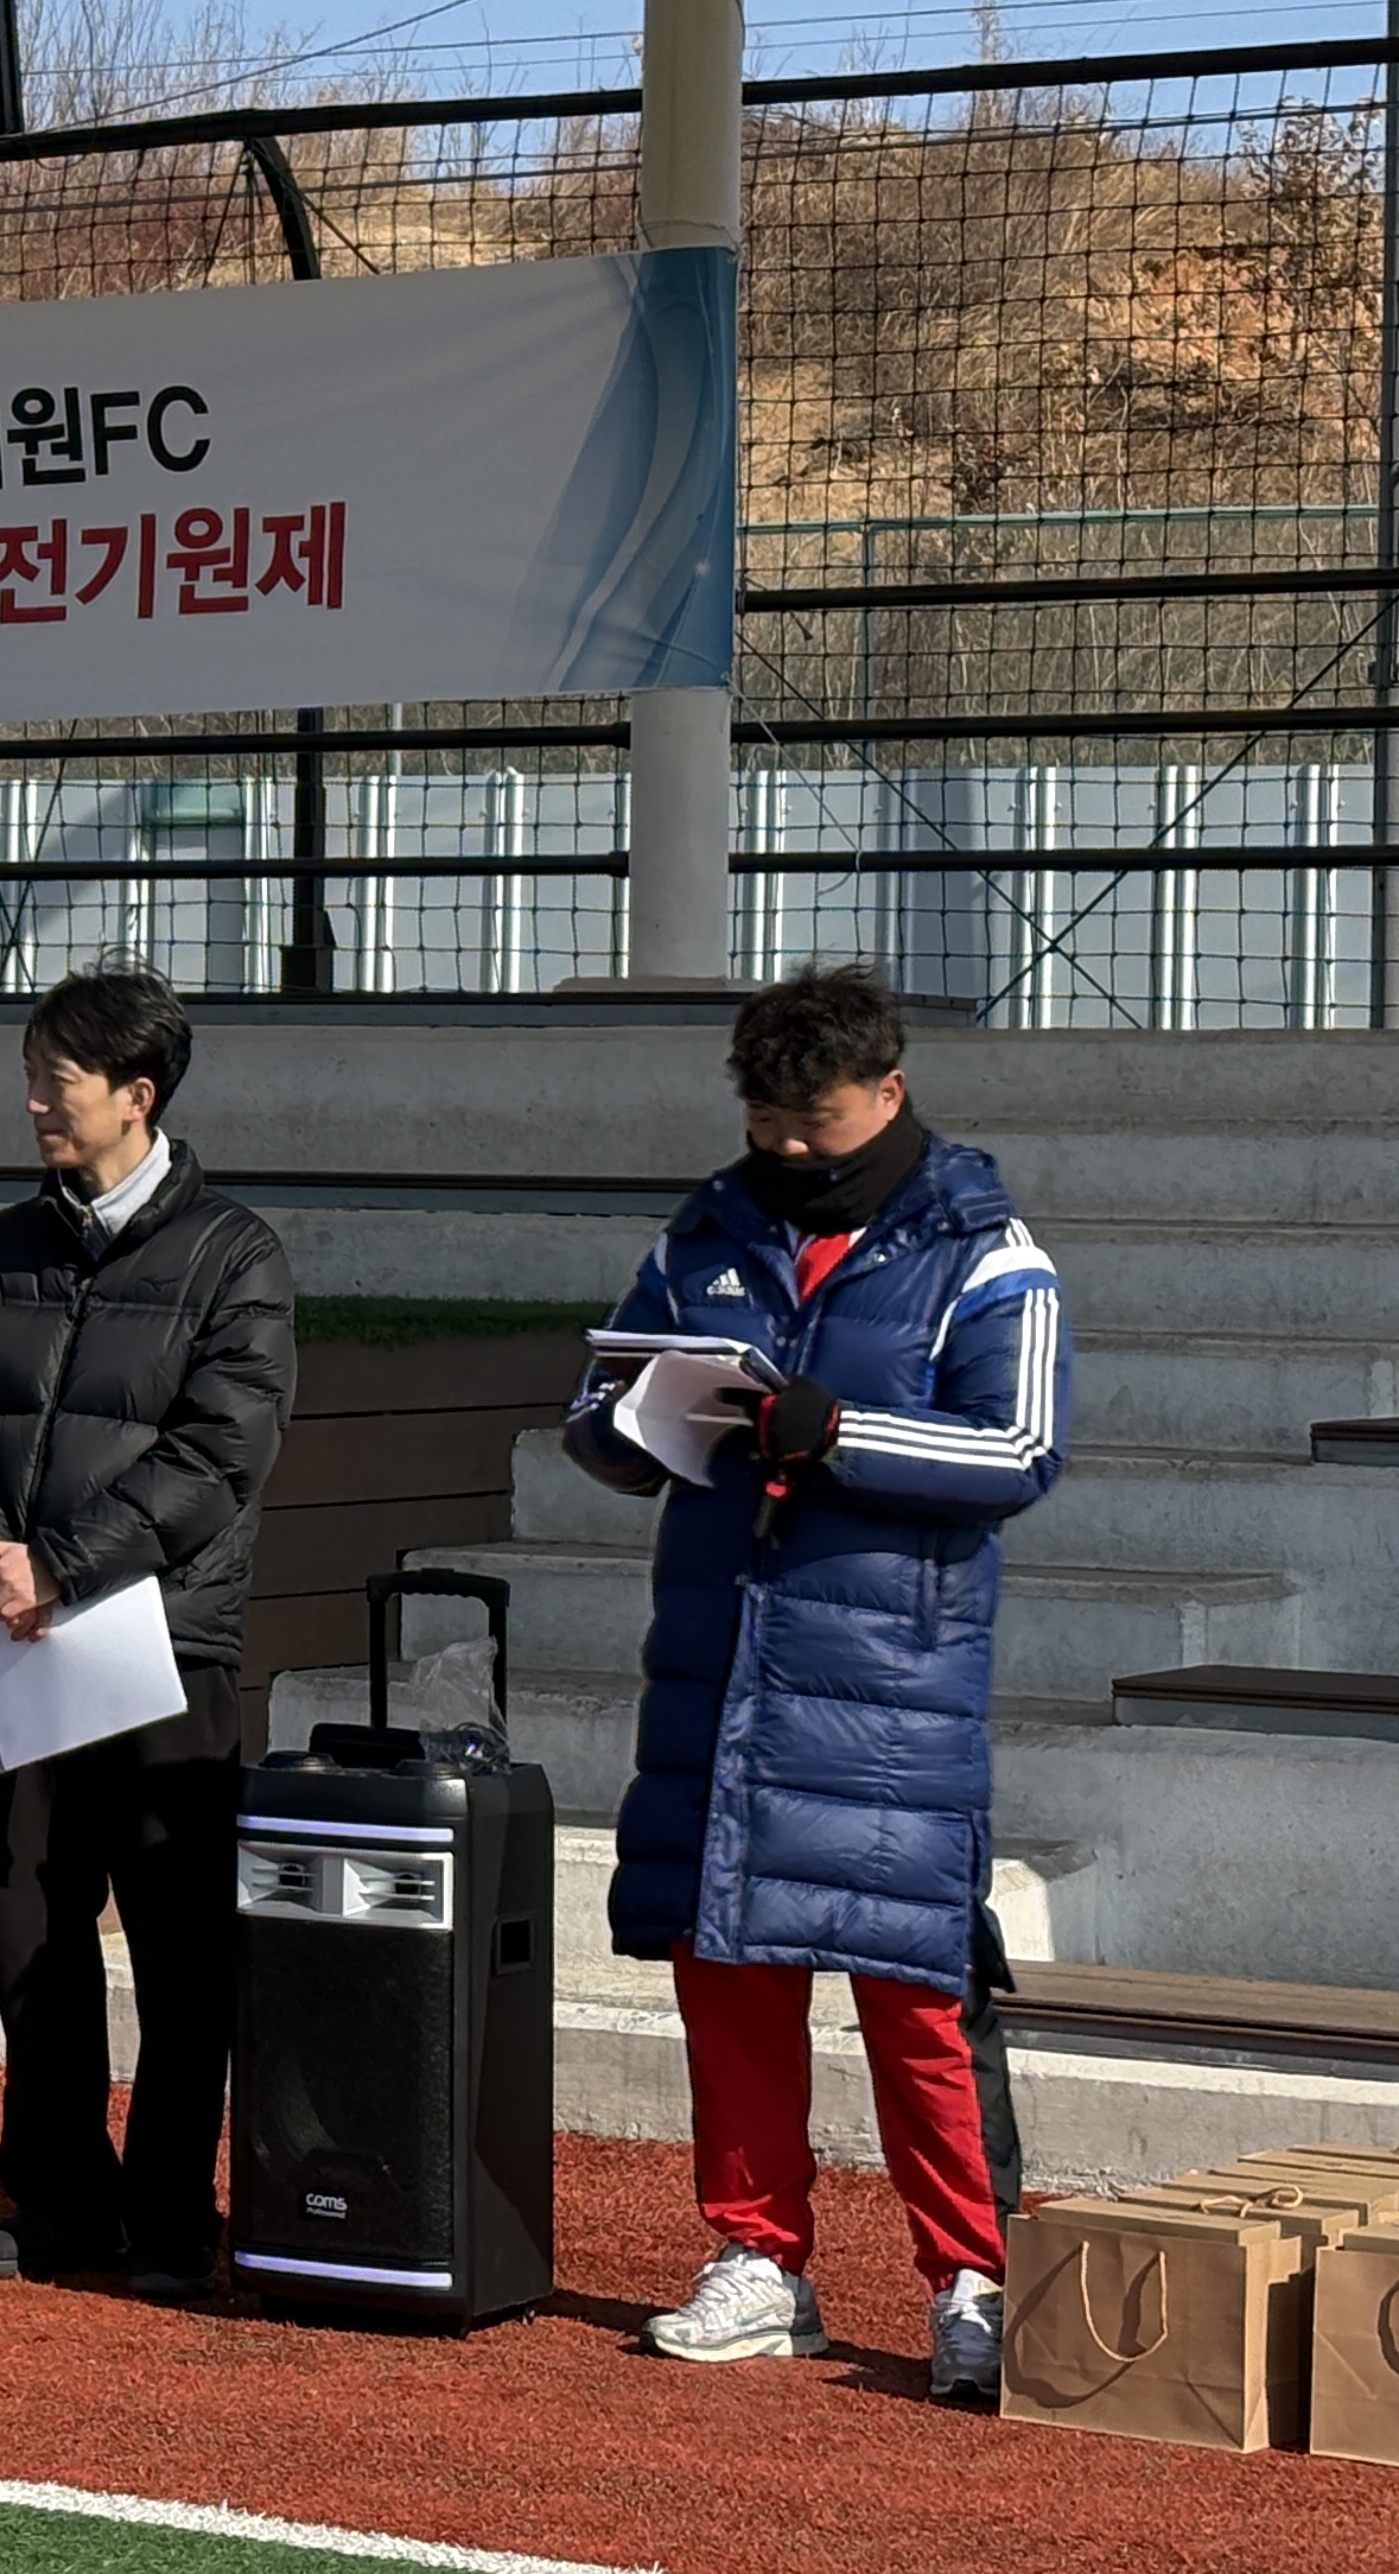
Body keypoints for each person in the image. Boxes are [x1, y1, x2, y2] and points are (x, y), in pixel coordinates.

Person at [567, 963, 1061, 2407]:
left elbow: (1020, 1450)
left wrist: (834, 1431)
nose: (786, 1144)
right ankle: (757, 2262)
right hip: (719, 1662)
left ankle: (975, 2284)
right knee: (725, 1967)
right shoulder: (706, 1229)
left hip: (886, 1684)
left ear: (888, 1091)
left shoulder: (984, 1246)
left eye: (815, 1117)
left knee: (915, 1992)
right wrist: (632, 1425)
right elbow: (596, 1403)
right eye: (767, 1115)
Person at [0, 964, 293, 2301]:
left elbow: (215, 1456)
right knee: (31, 1920)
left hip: (159, 1643)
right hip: (15, 1635)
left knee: (180, 1942)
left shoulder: (235, 1255)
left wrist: (60, 1566)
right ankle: (57, 2200)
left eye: (57, 1083)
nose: (34, 1104)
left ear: (139, 1094)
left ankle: (175, 2215)